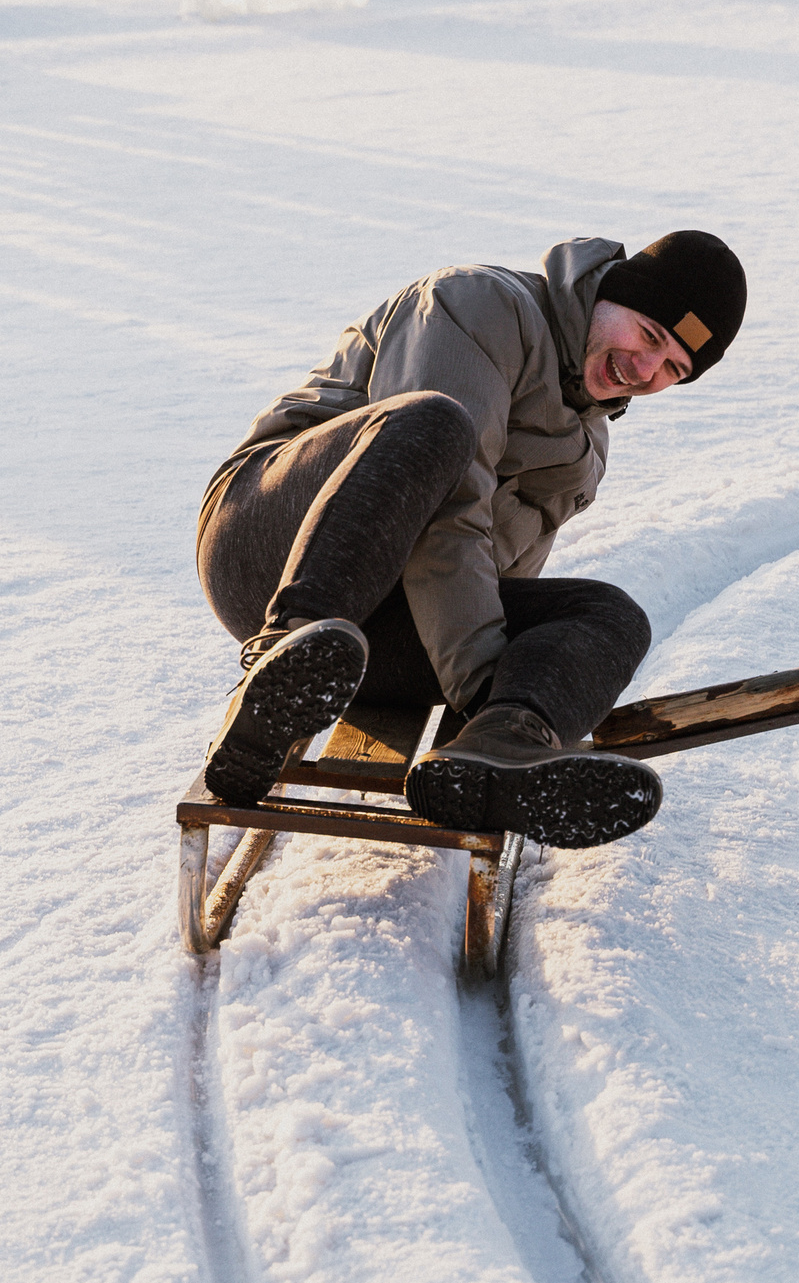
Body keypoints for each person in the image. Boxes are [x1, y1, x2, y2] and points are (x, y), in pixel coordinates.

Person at [196, 233, 748, 849]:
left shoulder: (588, 447)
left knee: (610, 615)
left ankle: (502, 752)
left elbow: (504, 574)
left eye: (673, 367)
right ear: (607, 293)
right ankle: (282, 670)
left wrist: (506, 698)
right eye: (649, 335)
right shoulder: (479, 304)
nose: (645, 371)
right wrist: (483, 677)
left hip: (389, 632)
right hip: (273, 549)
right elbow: (447, 516)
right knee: (433, 423)